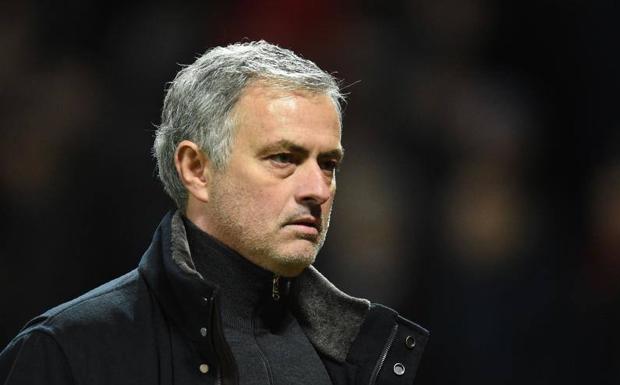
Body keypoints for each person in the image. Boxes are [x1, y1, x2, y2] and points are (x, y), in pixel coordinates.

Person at [0, 41, 428, 385]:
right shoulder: (67, 354)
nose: (318, 189)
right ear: (196, 169)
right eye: (283, 158)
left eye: (328, 164)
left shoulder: (368, 351)